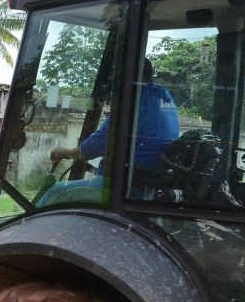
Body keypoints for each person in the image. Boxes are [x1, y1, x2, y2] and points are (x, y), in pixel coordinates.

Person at [39, 59, 180, 206]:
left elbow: (87, 151)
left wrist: (64, 152)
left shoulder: (132, 102)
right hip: (148, 185)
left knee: (53, 192)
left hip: (124, 187)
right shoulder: (164, 96)